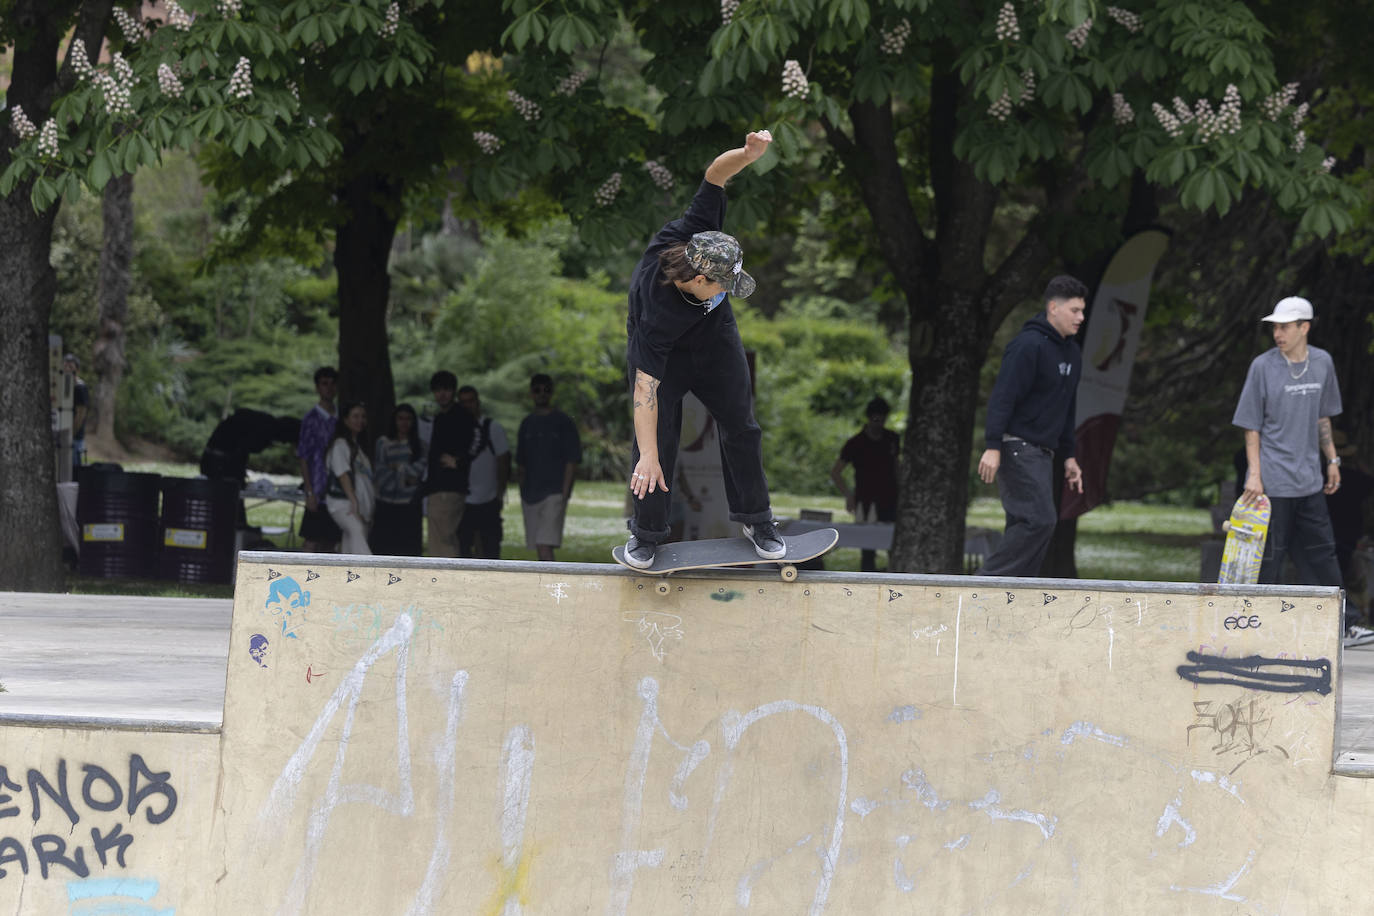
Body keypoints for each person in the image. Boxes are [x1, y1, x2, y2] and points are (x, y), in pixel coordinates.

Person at [621, 130, 785, 569]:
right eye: (723, 285)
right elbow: (644, 392)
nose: (726, 290)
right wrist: (650, 456)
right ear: (698, 279)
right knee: (657, 443)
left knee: (742, 426)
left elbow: (715, 175)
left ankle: (757, 519)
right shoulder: (656, 312)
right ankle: (647, 533)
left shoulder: (698, 231)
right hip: (666, 358)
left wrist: (747, 155)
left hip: (714, 340)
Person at [1232, 296, 1350, 633]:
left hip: (1310, 480)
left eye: (1284, 327)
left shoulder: (1323, 363)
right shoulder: (1263, 366)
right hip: (1272, 482)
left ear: (1304, 328)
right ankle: (1256, 626)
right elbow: (1250, 425)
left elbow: (1322, 417)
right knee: (1269, 558)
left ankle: (1336, 626)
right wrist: (1254, 474)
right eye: (1275, 327)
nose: (1277, 333)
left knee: (1321, 554)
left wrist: (1332, 460)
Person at [976, 275, 1089, 577]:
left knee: (1023, 523)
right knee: (1040, 520)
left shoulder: (1072, 353)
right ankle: (985, 585)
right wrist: (992, 445)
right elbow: (1003, 398)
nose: (1081, 317)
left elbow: (1066, 407)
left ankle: (1013, 592)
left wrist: (1069, 455)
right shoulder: (1027, 346)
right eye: (1075, 310)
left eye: (1082, 310)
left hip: (1044, 452)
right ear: (1054, 308)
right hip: (1016, 446)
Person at [830, 396, 901, 572]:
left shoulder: (892, 439)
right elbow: (836, 472)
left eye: (883, 419)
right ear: (869, 418)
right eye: (876, 419)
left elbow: (897, 467)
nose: (879, 424)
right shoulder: (855, 443)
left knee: (893, 543)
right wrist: (848, 495)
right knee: (867, 545)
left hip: (891, 497)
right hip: (865, 498)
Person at [516, 373, 581, 561]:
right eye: (537, 390)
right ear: (531, 393)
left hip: (553, 492)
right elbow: (521, 462)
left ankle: (550, 586)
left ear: (551, 393)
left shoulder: (563, 422)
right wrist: (522, 490)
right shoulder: (526, 424)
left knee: (545, 546)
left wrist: (564, 492)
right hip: (530, 493)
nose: (542, 394)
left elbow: (572, 460)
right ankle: (545, 583)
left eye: (546, 390)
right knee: (538, 545)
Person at [425, 370, 477, 557]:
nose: (442, 394)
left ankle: (443, 580)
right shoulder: (440, 418)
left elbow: (477, 441)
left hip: (449, 487)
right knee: (442, 537)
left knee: (443, 539)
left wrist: (459, 460)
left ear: (453, 391)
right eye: (438, 390)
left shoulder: (462, 416)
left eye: (446, 389)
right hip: (439, 486)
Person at [456, 385, 510, 559]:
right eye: (463, 402)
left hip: (489, 498)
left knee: (490, 549)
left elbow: (503, 461)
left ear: (478, 402)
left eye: (470, 401)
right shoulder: (456, 429)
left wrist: (500, 493)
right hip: (464, 500)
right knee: (464, 549)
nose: (467, 406)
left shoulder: (492, 427)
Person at [370, 403, 426, 556]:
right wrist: (404, 476)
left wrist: (397, 468)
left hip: (409, 505)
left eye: (408, 419)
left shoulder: (420, 445)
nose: (404, 423)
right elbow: (380, 472)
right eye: (400, 418)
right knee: (383, 549)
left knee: (408, 551)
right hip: (385, 503)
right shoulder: (383, 443)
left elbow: (418, 472)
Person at [297, 366, 342, 552]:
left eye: (332, 384)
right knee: (312, 539)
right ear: (317, 387)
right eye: (324, 384)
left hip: (338, 489)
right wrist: (309, 491)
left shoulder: (343, 418)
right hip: (317, 489)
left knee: (331, 541)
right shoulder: (311, 419)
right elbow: (303, 456)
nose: (329, 388)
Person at [200, 409, 301, 486]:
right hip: (218, 465)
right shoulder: (265, 428)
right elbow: (244, 449)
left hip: (214, 461)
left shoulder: (263, 422)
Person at [326, 401, 375, 555]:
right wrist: (354, 502)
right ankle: (371, 572)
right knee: (357, 531)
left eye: (363, 416)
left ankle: (346, 574)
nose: (360, 420)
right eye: (355, 416)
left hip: (359, 505)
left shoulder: (358, 447)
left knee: (350, 541)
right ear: (346, 420)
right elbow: (342, 474)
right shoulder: (340, 445)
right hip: (344, 503)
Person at [64, 354, 88, 477]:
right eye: (66, 366)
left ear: (76, 369)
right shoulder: (64, 387)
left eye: (70, 366)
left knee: (75, 470)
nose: (67, 369)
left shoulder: (79, 387)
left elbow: (81, 413)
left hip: (75, 437)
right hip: (65, 435)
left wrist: (71, 433)